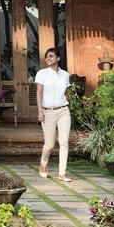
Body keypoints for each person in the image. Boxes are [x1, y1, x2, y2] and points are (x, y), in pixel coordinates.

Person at [35, 48, 72, 181]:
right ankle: (43, 162)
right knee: (50, 144)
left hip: (63, 111)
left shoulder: (65, 75)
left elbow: (66, 93)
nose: (48, 58)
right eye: (46, 57)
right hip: (48, 112)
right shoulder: (42, 74)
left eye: (51, 56)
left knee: (64, 142)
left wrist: (68, 104)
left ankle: (62, 173)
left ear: (58, 58)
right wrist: (40, 111)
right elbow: (39, 93)